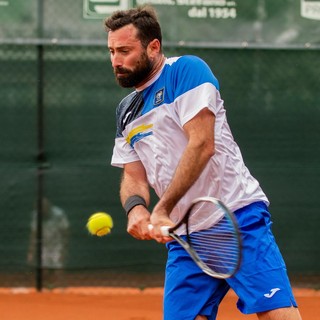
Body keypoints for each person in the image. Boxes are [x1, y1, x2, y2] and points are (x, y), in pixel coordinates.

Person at [105, 6, 302, 320]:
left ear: (153, 46)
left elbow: (202, 144)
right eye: (112, 51)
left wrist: (161, 208)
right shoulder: (126, 110)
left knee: (277, 315)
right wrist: (137, 208)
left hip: (236, 216)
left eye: (125, 51)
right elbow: (133, 174)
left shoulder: (186, 71)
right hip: (185, 237)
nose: (116, 60)